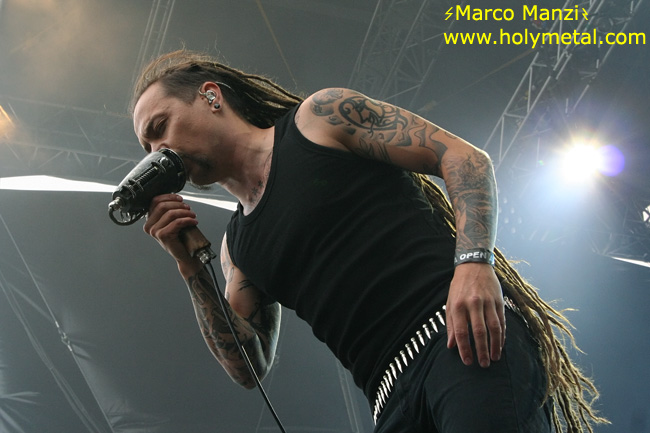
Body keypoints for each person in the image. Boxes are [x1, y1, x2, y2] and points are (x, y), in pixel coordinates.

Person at [130, 49, 606, 433]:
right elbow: (249, 368)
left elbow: (464, 158)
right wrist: (191, 268)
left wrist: (474, 263)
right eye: (147, 147)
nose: (156, 152)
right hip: (389, 398)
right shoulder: (237, 249)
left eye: (159, 128)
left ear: (210, 96)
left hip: (460, 334)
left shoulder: (319, 120)